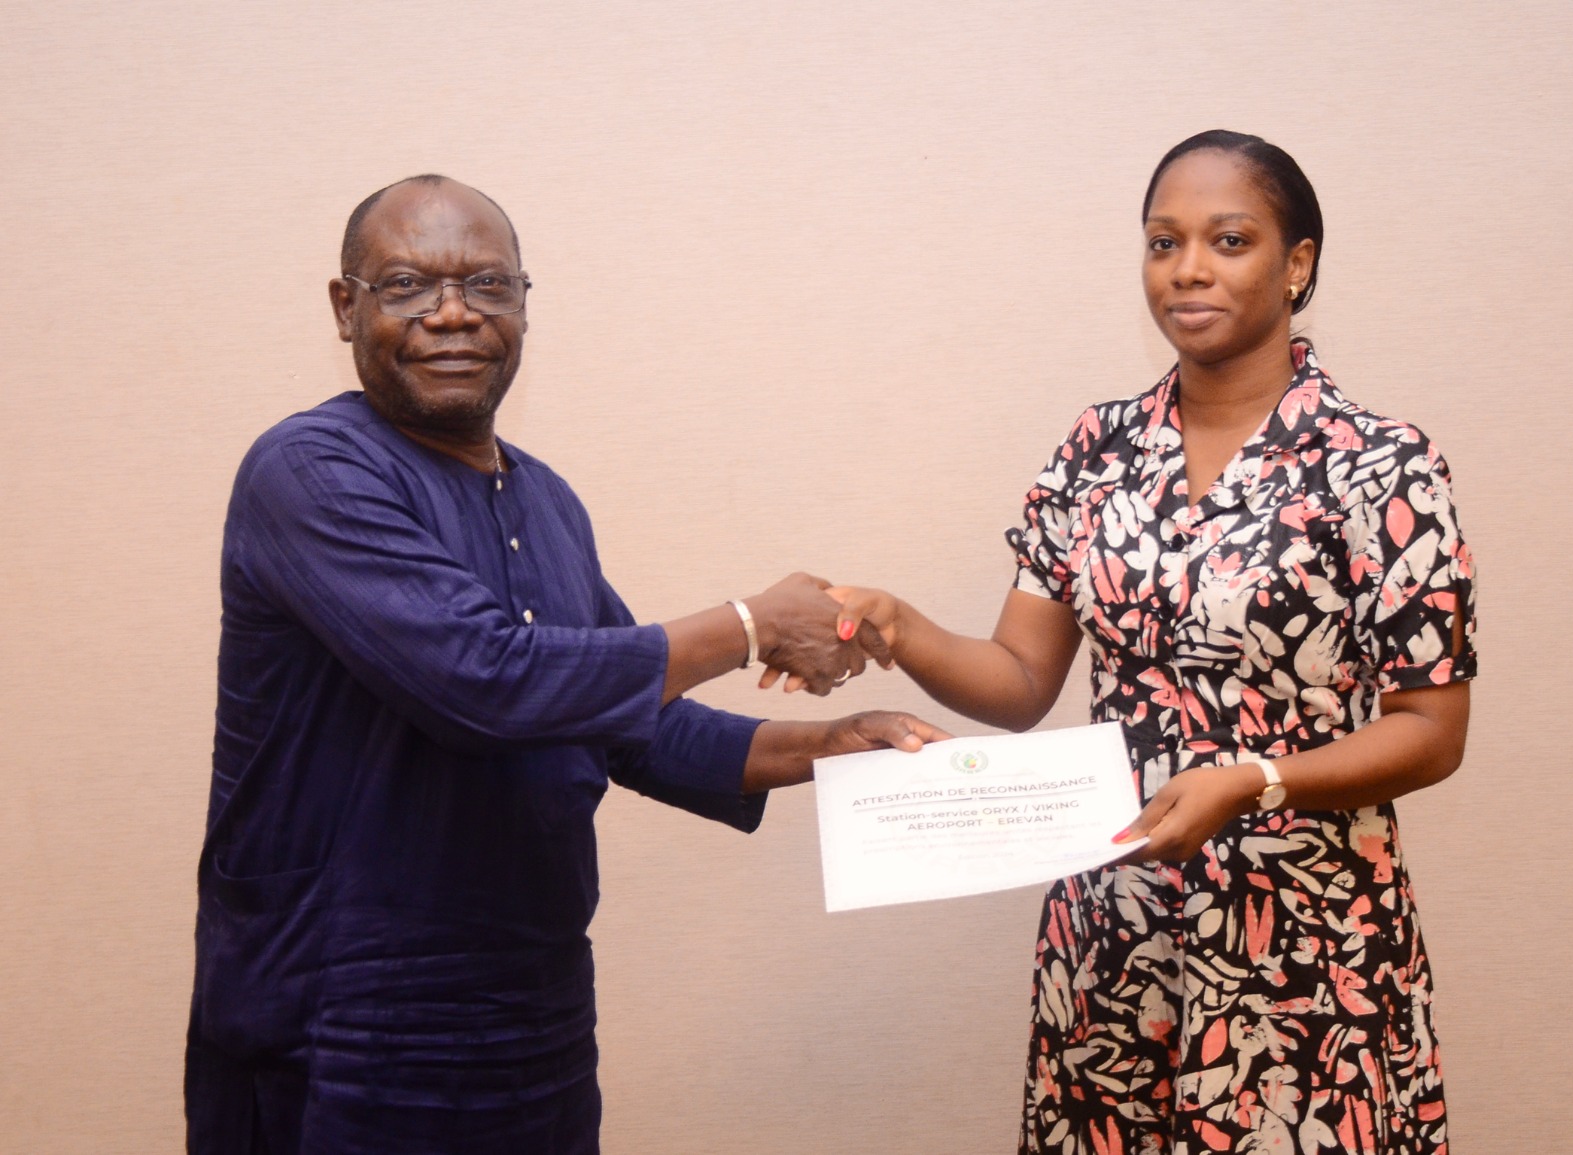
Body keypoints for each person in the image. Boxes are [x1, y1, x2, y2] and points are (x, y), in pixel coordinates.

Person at [184, 173, 940, 1154]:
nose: (453, 313)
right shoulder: (311, 470)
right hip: (339, 1035)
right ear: (345, 307)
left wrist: (830, 745)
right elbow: (484, 680)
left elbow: (627, 720)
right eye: (408, 285)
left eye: (487, 285)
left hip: (530, 1026)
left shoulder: (546, 501)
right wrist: (752, 625)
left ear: (524, 306)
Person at [824, 131, 1476, 1153]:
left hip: (1303, 940)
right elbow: (1019, 678)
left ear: (1296, 263)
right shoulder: (1097, 450)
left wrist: (1254, 781)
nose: (1188, 269)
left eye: (1229, 240)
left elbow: (1432, 730)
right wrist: (899, 626)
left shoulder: (1382, 465)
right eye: (1163, 242)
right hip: (1114, 927)